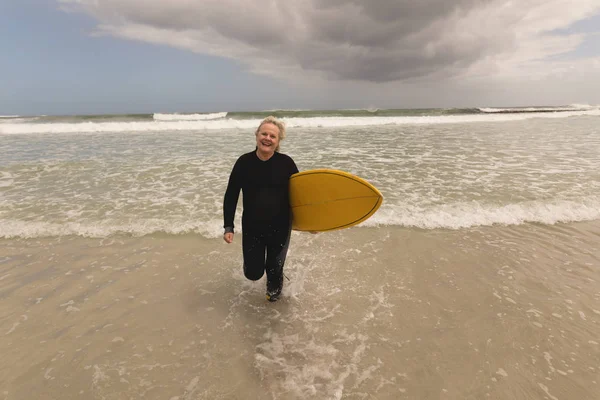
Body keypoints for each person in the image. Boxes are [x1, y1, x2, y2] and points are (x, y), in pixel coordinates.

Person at [223, 116, 299, 302]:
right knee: (253, 273)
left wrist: (311, 222)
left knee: (274, 270)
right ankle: (260, 269)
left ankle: (273, 308)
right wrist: (228, 226)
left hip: (280, 226)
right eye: (264, 133)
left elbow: (300, 195)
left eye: (273, 136)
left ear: (278, 141)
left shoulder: (287, 163)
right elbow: (231, 194)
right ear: (256, 135)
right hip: (252, 227)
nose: (267, 138)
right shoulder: (244, 162)